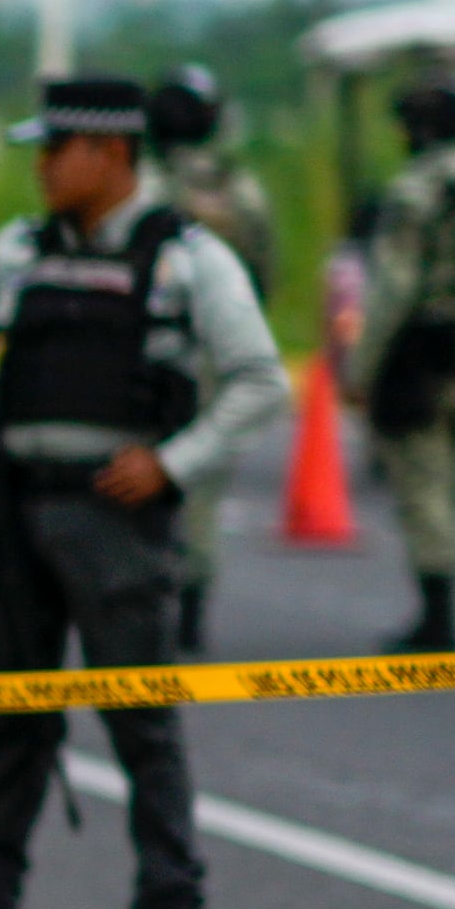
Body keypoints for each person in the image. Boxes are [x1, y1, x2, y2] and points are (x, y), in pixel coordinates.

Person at [0, 79, 287, 909]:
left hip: (115, 518)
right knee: (11, 718)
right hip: (12, 510)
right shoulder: (23, 248)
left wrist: (174, 463)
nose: (40, 165)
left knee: (141, 721)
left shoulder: (186, 256)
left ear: (110, 153)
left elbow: (261, 380)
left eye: (55, 148)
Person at [348, 74, 455, 656]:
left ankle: (437, 617)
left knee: (421, 482)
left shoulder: (417, 190)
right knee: (450, 475)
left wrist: (361, 365)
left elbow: (393, 286)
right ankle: (440, 606)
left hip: (418, 350)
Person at [145, 65, 281, 654]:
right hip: (219, 356)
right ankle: (193, 605)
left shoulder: (141, 184)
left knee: (140, 472)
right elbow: (265, 275)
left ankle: (146, 599)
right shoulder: (239, 189)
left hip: (150, 353)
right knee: (202, 482)